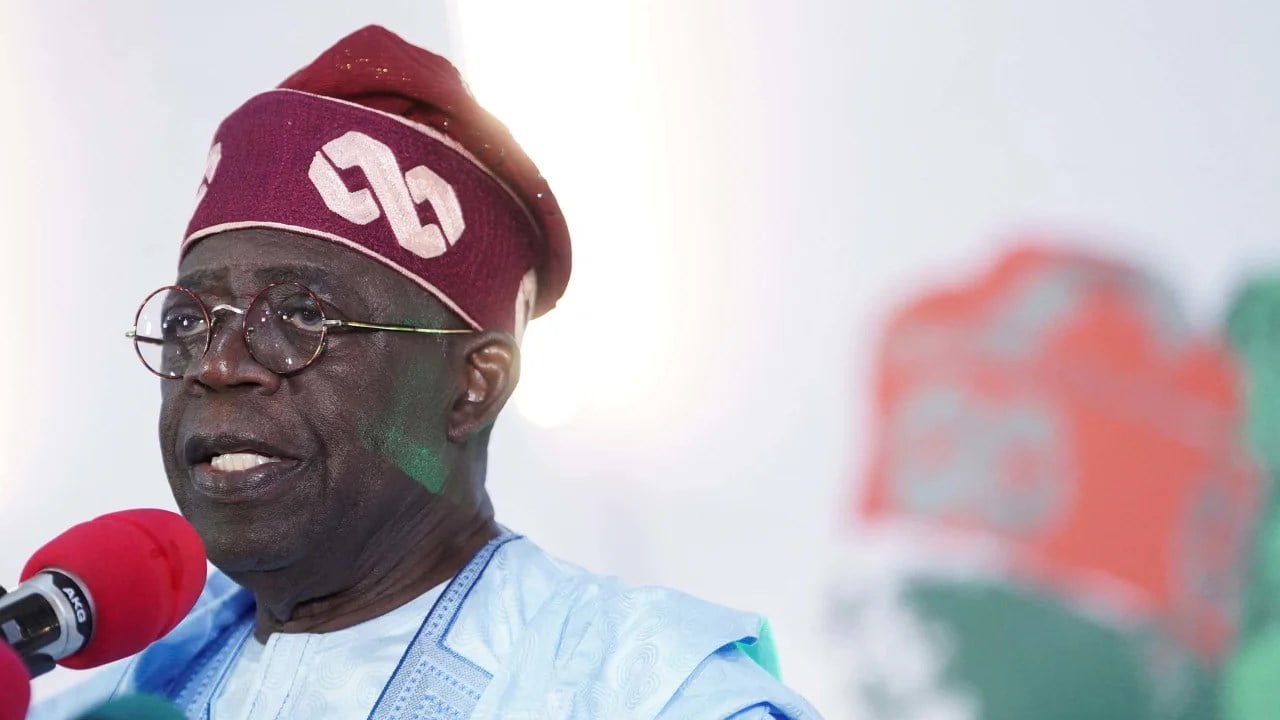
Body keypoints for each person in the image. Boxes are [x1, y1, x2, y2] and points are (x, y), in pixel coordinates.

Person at [34, 25, 818, 720]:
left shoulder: (649, 695)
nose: (219, 363)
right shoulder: (119, 691)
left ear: (473, 385)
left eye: (302, 316)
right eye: (186, 322)